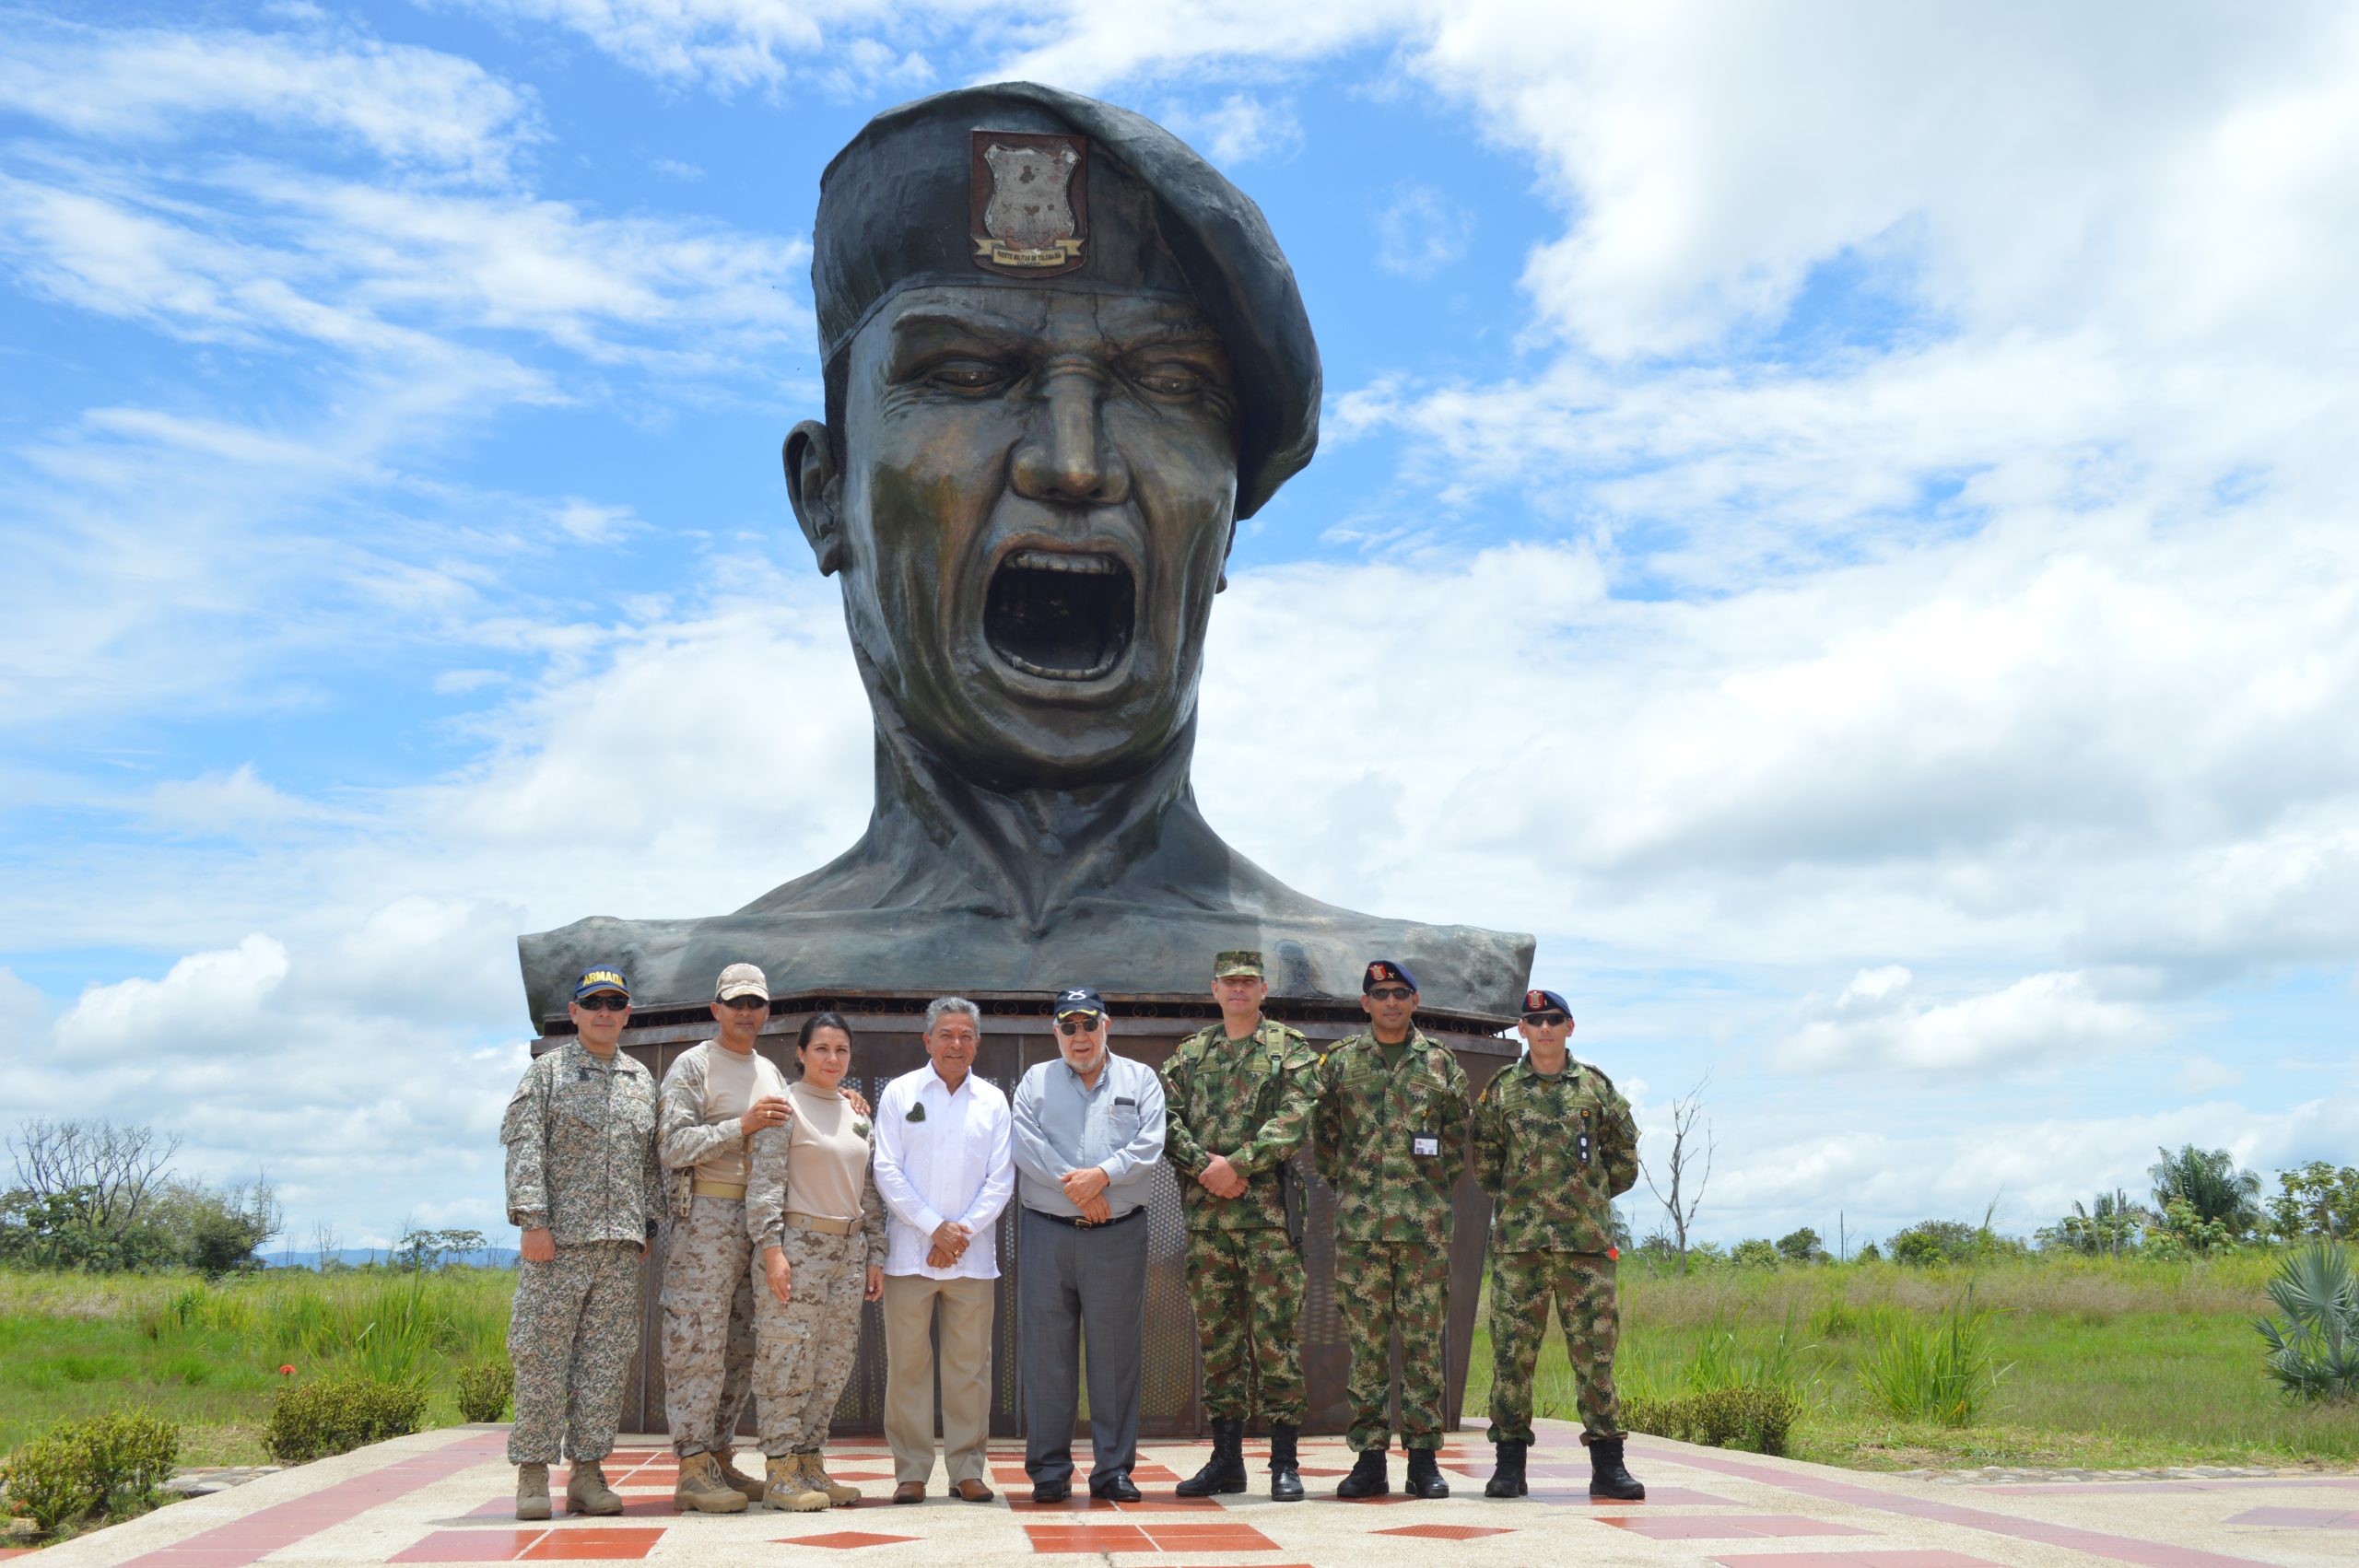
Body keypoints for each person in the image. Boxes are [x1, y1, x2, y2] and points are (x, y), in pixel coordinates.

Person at [516, 82, 1534, 1029]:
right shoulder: (650, 995)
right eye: (965, 371)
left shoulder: (1423, 991)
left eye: (1169, 383)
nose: (1073, 463)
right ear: (823, 497)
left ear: (1224, 523)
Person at [500, 966, 661, 1520]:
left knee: (605, 1362)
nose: (604, 1013)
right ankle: (532, 1474)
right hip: (558, 1242)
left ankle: (588, 1472)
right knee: (541, 1356)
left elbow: (650, 1163)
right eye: (593, 1003)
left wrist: (648, 1225)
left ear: (627, 1015)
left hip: (619, 1247)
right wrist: (532, 1221)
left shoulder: (642, 1080)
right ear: (574, 1012)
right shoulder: (547, 1074)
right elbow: (525, 1146)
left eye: (615, 1004)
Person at [1159, 949, 1319, 1501]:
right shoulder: (1189, 1055)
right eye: (1229, 982)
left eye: (1248, 982)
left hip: (1268, 1220)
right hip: (1208, 1221)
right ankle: (1226, 1460)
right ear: (1214, 989)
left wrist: (1238, 1164)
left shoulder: (1289, 1049)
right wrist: (1206, 1167)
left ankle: (1284, 1462)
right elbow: (1162, 1118)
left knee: (1275, 1339)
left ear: (1263, 989)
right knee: (1219, 1341)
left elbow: (1298, 1115)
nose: (1238, 991)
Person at [1474, 989, 1644, 1501]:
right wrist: (1525, 1202)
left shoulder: (1596, 1088)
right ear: (1522, 1029)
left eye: (1553, 1019)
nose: (1544, 1027)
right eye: (1534, 1020)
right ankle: (1509, 1466)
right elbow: (1486, 1163)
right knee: (1511, 1357)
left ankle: (1608, 1465)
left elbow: (1624, 1160)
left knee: (1596, 1357)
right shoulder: (1501, 1090)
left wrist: (1584, 1199)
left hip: (1585, 1248)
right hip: (1519, 1248)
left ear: (1570, 1027)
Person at [1312, 959, 1471, 1500]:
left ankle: (1424, 1461)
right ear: (1365, 1003)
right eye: (1381, 994)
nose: (1391, 1002)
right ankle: (1370, 1461)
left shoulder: (1442, 1065)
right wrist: (1357, 1189)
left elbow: (1455, 1146)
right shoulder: (1339, 1065)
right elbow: (1326, 1141)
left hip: (1424, 1230)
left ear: (1415, 1000)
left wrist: (1421, 1194)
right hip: (1361, 1230)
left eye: (1401, 993)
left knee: (1425, 1345)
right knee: (1367, 1348)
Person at [1010, 987, 1168, 1503]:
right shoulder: (1036, 1080)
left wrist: (1100, 1175)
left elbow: (1149, 1144)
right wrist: (1075, 1187)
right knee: (1047, 1356)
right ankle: (1050, 1473)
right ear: (1056, 1032)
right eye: (1068, 1027)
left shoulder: (1140, 1079)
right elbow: (1026, 1142)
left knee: (1116, 1355)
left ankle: (1113, 1470)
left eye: (1089, 1024)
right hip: (1046, 1232)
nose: (1080, 1036)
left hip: (1117, 1235)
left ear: (1107, 1025)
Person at [652, 962, 794, 1513]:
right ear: (716, 1009)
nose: (746, 1012)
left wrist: (848, 1104)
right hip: (705, 1217)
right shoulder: (694, 1065)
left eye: (755, 1003)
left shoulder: (770, 1071)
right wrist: (742, 1125)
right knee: (697, 1342)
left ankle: (719, 1455)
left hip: (759, 1222)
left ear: (765, 1011)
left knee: (740, 1343)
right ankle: (691, 1465)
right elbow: (672, 1146)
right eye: (735, 1003)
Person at [869, 997, 1015, 1503]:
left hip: (972, 1260)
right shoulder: (900, 1093)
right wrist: (935, 1229)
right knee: (907, 1365)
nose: (957, 1044)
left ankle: (967, 1470)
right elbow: (886, 1169)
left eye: (966, 1035)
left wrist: (961, 1234)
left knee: (969, 1367)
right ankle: (911, 1471)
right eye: (946, 1034)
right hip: (910, 1255)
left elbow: (1001, 1179)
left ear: (978, 1042)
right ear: (926, 1041)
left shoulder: (993, 1102)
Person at [745, 1012, 888, 1510]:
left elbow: (868, 1191)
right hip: (797, 1247)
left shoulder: (857, 1114)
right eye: (822, 1048)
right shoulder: (782, 1107)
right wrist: (771, 1250)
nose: (833, 1059)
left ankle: (810, 1461)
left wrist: (875, 1254)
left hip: (848, 1253)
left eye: (842, 1050)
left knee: (832, 1361)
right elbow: (763, 1185)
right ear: (801, 1053)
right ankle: (781, 1470)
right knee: (786, 1357)